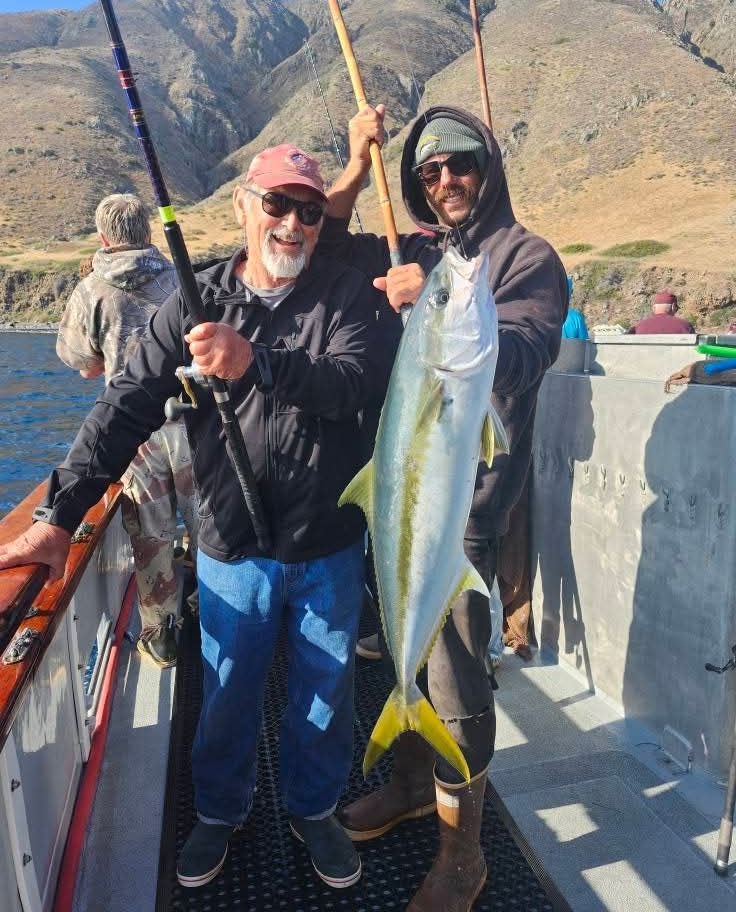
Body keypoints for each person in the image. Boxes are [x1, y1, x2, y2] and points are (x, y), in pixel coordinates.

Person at [0, 146, 389, 891]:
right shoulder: (194, 299)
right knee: (229, 686)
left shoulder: (347, 296)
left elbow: (354, 382)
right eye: (277, 204)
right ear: (244, 205)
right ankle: (219, 809)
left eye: (310, 210)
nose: (294, 223)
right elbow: (124, 408)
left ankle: (314, 810)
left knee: (326, 688)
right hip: (229, 544)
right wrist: (58, 511)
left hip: (328, 542)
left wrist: (257, 364)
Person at [319, 105, 568, 911]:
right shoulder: (420, 249)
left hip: (467, 511)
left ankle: (464, 856)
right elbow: (319, 243)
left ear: (488, 165)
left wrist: (441, 301)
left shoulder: (523, 258)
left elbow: (527, 350)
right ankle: (412, 781)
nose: (444, 181)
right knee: (412, 658)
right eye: (427, 172)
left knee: (458, 682)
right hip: (397, 505)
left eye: (459, 163)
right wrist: (356, 167)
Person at [57, 193, 197, 669]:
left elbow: (82, 363)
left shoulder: (91, 290)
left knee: (151, 535)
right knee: (211, 522)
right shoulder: (183, 277)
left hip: (134, 432)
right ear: (148, 231)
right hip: (193, 423)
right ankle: (216, 606)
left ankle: (161, 635)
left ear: (103, 237)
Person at [629, 290, 695, 335]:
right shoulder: (685, 327)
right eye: (676, 308)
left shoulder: (638, 328)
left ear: (654, 308)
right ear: (673, 307)